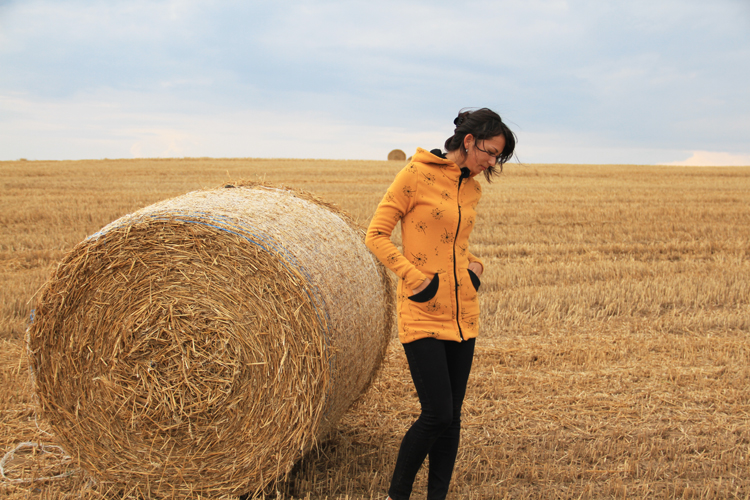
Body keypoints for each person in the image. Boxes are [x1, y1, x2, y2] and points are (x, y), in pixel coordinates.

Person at [365, 108, 516, 500]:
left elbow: (454, 245)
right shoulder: (415, 174)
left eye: (498, 157)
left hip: (463, 314)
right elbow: (376, 234)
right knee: (437, 414)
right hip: (422, 311)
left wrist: (475, 267)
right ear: (468, 141)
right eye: (490, 152)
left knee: (453, 420)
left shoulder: (472, 188)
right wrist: (414, 278)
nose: (492, 163)